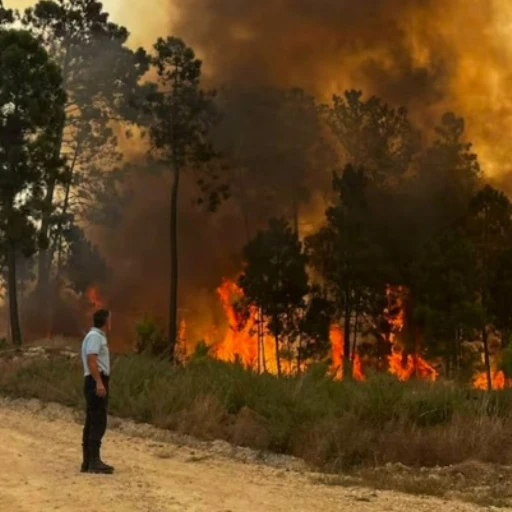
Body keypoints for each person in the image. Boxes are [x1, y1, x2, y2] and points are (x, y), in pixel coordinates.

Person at [81, 309, 114, 474]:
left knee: (91, 420)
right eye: (110, 319)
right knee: (98, 421)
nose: (112, 322)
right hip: (96, 380)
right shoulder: (95, 337)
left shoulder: (96, 336)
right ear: (105, 321)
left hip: (93, 380)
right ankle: (94, 461)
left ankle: (88, 461)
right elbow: (92, 359)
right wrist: (99, 382)